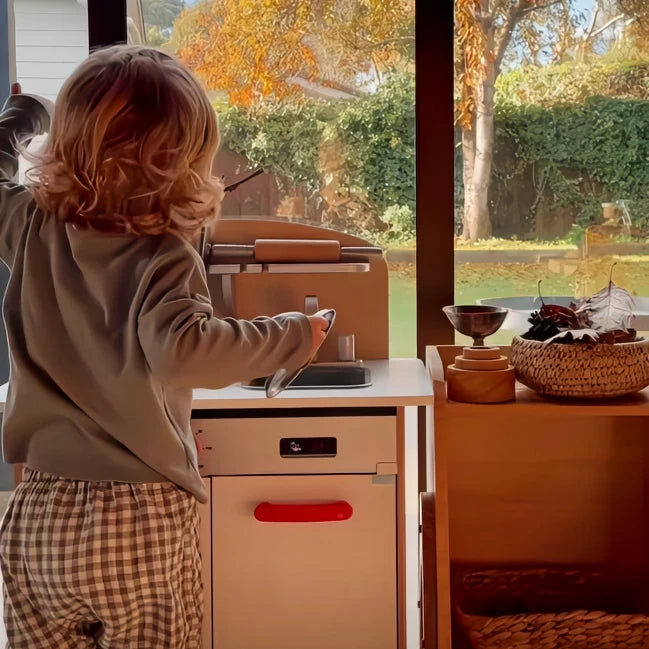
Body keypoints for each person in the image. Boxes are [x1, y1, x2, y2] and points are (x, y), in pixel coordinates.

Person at [0, 45, 329, 648]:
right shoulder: (164, 254)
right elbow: (186, 352)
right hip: (139, 511)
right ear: (182, 165)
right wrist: (292, 336)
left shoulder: (29, 227)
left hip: (39, 507)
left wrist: (23, 113)